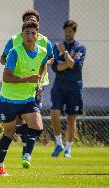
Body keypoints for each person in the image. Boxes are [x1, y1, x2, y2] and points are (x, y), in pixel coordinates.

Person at [0, 9, 54, 176]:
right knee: (8, 133)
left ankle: (14, 133)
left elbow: (43, 64)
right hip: (8, 99)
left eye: (33, 33)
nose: (29, 35)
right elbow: (6, 77)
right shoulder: (15, 51)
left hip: (28, 98)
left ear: (37, 35)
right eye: (26, 32)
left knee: (38, 127)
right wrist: (28, 79)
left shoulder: (42, 50)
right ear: (22, 34)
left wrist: (39, 81)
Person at [50, 20, 86, 158]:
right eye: (66, 31)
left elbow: (75, 66)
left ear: (74, 32)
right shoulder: (57, 46)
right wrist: (69, 62)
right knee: (54, 112)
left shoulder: (80, 48)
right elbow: (56, 68)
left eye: (70, 31)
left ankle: (68, 149)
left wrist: (65, 53)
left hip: (75, 87)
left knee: (72, 119)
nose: (67, 34)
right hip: (59, 86)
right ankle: (59, 143)